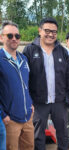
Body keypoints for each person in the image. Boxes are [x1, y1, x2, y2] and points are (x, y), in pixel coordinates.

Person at [23, 17, 69, 150]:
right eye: (47, 30)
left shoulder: (62, 51)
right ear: (39, 31)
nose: (51, 34)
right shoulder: (29, 50)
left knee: (63, 133)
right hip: (38, 102)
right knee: (38, 135)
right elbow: (25, 77)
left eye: (54, 32)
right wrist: (28, 99)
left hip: (59, 100)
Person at [0, 21, 34, 150]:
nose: (14, 39)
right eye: (10, 36)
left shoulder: (23, 58)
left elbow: (26, 84)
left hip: (27, 117)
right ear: (1, 37)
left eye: (17, 36)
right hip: (10, 120)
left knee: (29, 147)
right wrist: (3, 115)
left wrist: (31, 103)